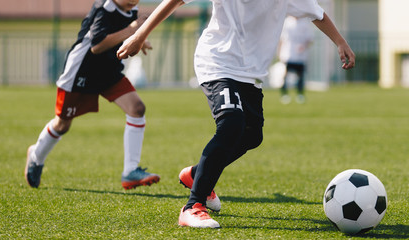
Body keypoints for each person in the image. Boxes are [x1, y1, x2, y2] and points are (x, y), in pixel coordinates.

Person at [117, 0, 355, 228]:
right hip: (218, 63)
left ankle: (197, 173)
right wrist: (139, 35)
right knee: (231, 124)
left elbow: (317, 13)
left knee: (252, 135)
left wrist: (340, 42)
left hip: (250, 73)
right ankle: (193, 206)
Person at [25, 0, 160, 190]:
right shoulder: (104, 9)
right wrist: (132, 31)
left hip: (108, 72)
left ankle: (130, 171)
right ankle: (36, 155)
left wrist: (139, 40)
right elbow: (97, 45)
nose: (134, 0)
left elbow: (124, 30)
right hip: (82, 71)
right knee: (62, 124)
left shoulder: (130, 9)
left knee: (137, 109)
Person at [278, 15, 314, 104]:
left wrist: (304, 47)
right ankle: (284, 94)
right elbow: (282, 39)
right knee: (285, 75)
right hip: (288, 54)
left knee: (300, 76)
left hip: (300, 55)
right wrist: (279, 53)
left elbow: (310, 39)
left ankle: (300, 94)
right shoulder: (287, 22)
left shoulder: (305, 23)